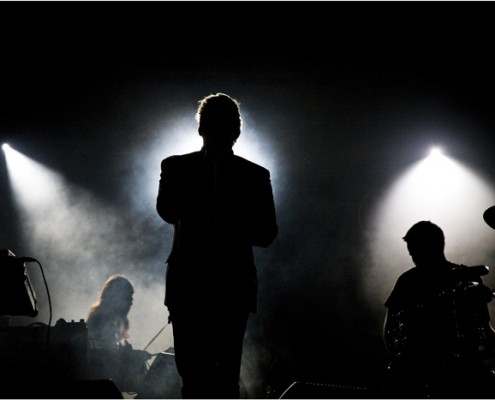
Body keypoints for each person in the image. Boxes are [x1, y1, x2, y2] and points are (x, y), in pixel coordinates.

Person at [156, 92, 278, 398]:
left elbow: (267, 233)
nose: (222, 133)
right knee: (197, 375)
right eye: (215, 126)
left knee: (221, 377)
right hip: (194, 287)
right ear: (201, 129)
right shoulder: (176, 167)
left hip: (227, 288)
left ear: (236, 131)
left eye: (226, 126)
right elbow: (167, 210)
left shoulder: (255, 175)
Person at [383, 220, 495, 398]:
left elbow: (484, 328)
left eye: (415, 250)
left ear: (434, 246)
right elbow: (391, 330)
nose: (413, 256)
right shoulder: (408, 280)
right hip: (424, 372)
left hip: (461, 372)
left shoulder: (466, 278)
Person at [86, 274, 151, 394]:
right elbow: (103, 356)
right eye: (128, 297)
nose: (131, 301)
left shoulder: (106, 318)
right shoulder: (100, 320)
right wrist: (132, 355)